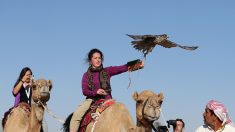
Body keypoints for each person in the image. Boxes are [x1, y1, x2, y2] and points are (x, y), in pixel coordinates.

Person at [69, 48, 144, 132]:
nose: (98, 60)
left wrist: (137, 65)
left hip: (107, 100)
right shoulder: (86, 75)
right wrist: (95, 92)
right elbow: (85, 91)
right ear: (90, 61)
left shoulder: (107, 71)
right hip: (91, 100)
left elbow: (121, 68)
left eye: (99, 58)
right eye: (95, 58)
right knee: (76, 117)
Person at [12, 67, 48, 132]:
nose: (29, 77)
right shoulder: (20, 85)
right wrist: (22, 81)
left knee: (41, 125)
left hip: (31, 110)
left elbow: (38, 97)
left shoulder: (33, 87)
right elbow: (14, 92)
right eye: (27, 75)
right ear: (23, 75)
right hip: (20, 109)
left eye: (30, 75)